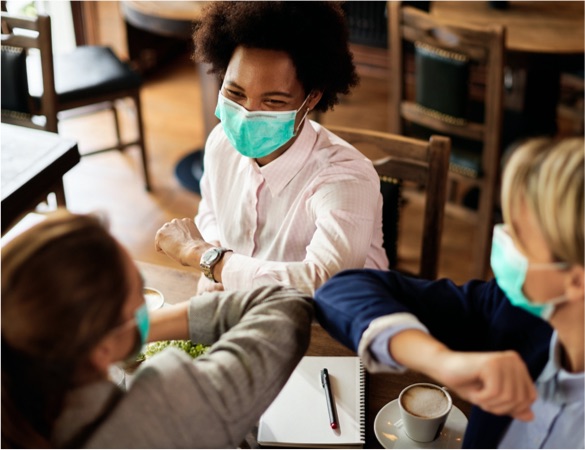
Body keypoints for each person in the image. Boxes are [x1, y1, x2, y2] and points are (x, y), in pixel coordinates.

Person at [313, 137, 584, 448]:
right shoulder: (513, 312)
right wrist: (442, 362)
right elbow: (341, 292)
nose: (504, 240)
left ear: (576, 281)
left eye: (520, 235)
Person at [1, 210, 313, 448]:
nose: (144, 303)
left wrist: (120, 334)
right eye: (139, 291)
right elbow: (286, 305)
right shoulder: (165, 410)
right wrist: (199, 254)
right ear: (101, 350)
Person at [154, 1, 388, 296]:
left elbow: (324, 281)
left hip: (333, 327)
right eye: (235, 92)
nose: (248, 113)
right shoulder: (220, 144)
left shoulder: (345, 179)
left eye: (273, 102)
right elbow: (211, 213)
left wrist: (208, 259)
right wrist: (215, 271)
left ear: (312, 98)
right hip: (246, 313)